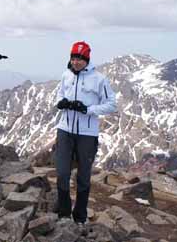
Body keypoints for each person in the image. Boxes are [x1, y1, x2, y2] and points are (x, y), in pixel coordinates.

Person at [54, 41, 116, 225]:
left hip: (87, 134)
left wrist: (87, 109)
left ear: (87, 60)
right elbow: (59, 94)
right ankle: (64, 215)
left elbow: (112, 104)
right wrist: (61, 102)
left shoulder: (99, 79)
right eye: (74, 58)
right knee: (62, 173)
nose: (76, 62)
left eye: (80, 59)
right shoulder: (66, 75)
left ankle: (80, 217)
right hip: (65, 129)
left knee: (83, 176)